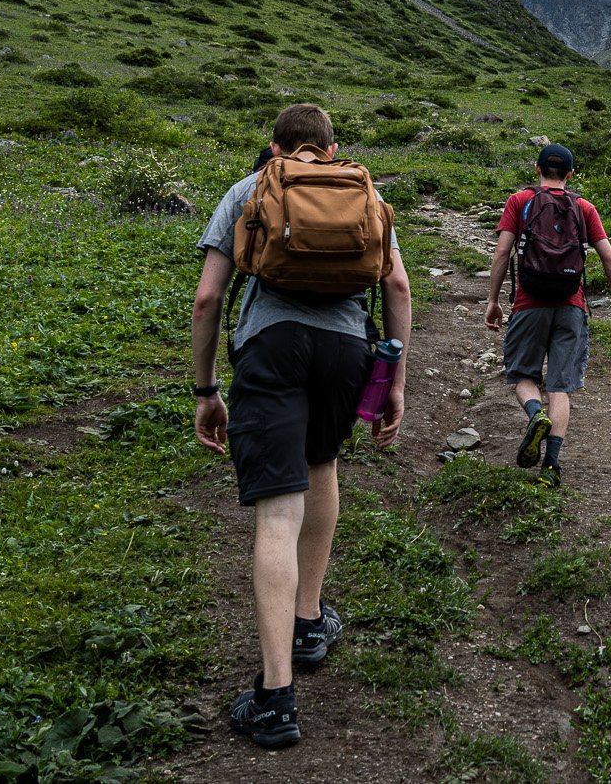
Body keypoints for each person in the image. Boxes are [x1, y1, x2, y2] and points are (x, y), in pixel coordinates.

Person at [191, 103, 411, 748]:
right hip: (346, 352)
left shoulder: (248, 190)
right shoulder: (363, 190)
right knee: (322, 468)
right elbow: (396, 289)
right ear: (330, 146)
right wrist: (393, 382)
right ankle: (310, 622)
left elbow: (208, 297)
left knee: (277, 514)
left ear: (275, 147)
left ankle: (276, 696)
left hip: (270, 348)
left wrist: (206, 389)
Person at [484, 142, 611, 489]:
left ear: (537, 170)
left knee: (522, 375)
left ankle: (536, 415)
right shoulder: (584, 207)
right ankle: (550, 467)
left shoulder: (519, 201)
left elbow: (502, 252)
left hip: (528, 303)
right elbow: (609, 258)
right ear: (570, 174)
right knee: (560, 386)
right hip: (571, 304)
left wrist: (492, 300)